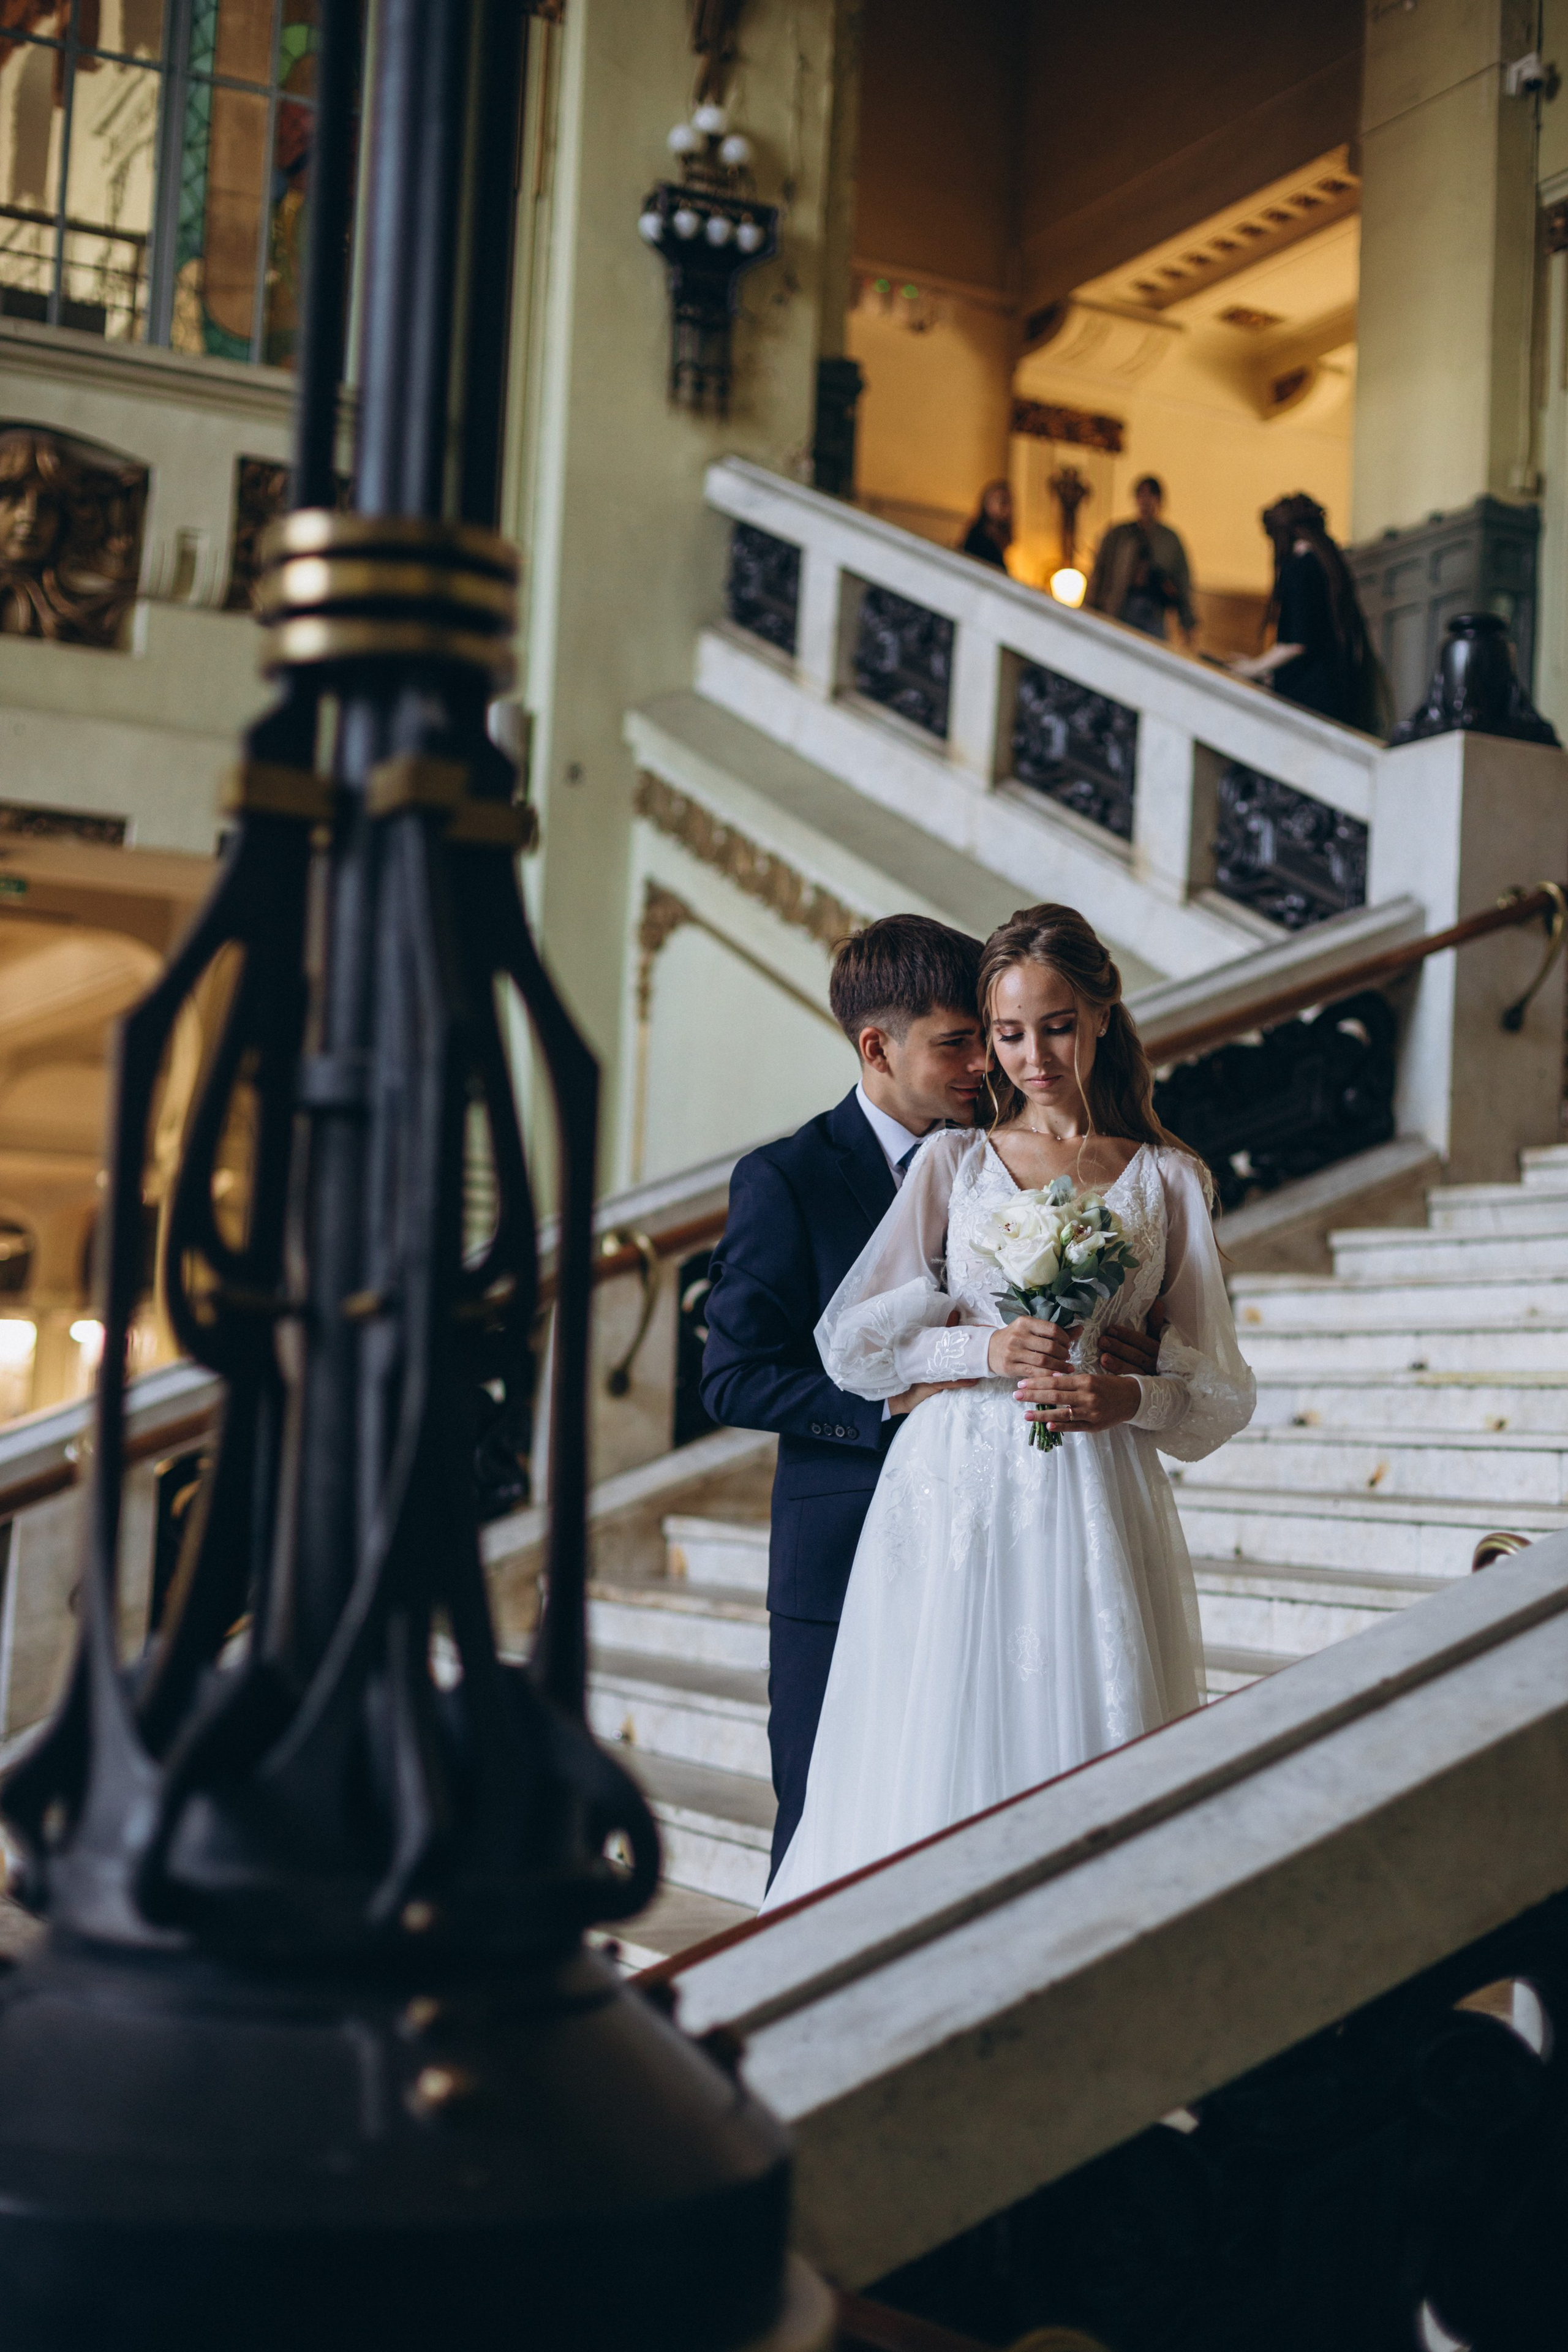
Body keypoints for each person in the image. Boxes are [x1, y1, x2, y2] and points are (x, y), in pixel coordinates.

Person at [761, 903, 1255, 1912]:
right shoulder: (952, 1163)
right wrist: (982, 1346)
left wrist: (1131, 1394)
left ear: (1105, 1015)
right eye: (1009, 1032)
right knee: (938, 1728)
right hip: (950, 1485)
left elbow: (1217, 1392)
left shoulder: (1171, 1181)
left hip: (1095, 1486)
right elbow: (854, 1343)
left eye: (1058, 1025)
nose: (1033, 1055)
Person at [1229, 492, 1384, 732]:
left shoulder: (1299, 569)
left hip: (1311, 702)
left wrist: (1252, 668)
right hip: (1335, 696)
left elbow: (1296, 643)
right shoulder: (1326, 563)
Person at [1085, 475, 1196, 645]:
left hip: (1154, 610)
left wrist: (1187, 622)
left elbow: (1182, 581)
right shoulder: (1119, 534)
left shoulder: (1169, 540)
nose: (1146, 501)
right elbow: (1100, 571)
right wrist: (1091, 607)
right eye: (1142, 495)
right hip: (1121, 606)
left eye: (1151, 496)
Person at [960, 479, 1013, 571]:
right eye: (1002, 501)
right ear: (987, 504)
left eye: (1008, 502)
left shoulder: (998, 541)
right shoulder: (977, 540)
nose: (1006, 508)